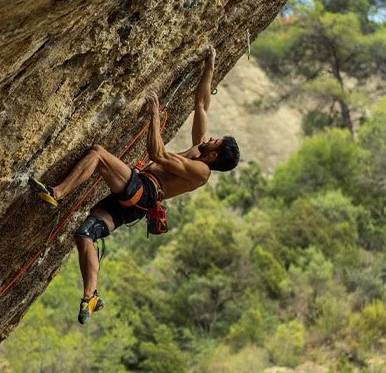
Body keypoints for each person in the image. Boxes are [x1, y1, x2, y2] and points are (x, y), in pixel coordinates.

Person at [29, 46, 240, 324]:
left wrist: (154, 116)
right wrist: (210, 64)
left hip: (145, 190)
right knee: (85, 235)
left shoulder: (200, 170)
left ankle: (57, 193)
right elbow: (201, 104)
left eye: (216, 142)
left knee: (97, 153)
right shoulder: (200, 150)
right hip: (136, 204)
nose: (211, 138)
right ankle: (90, 296)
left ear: (214, 156)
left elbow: (159, 155)